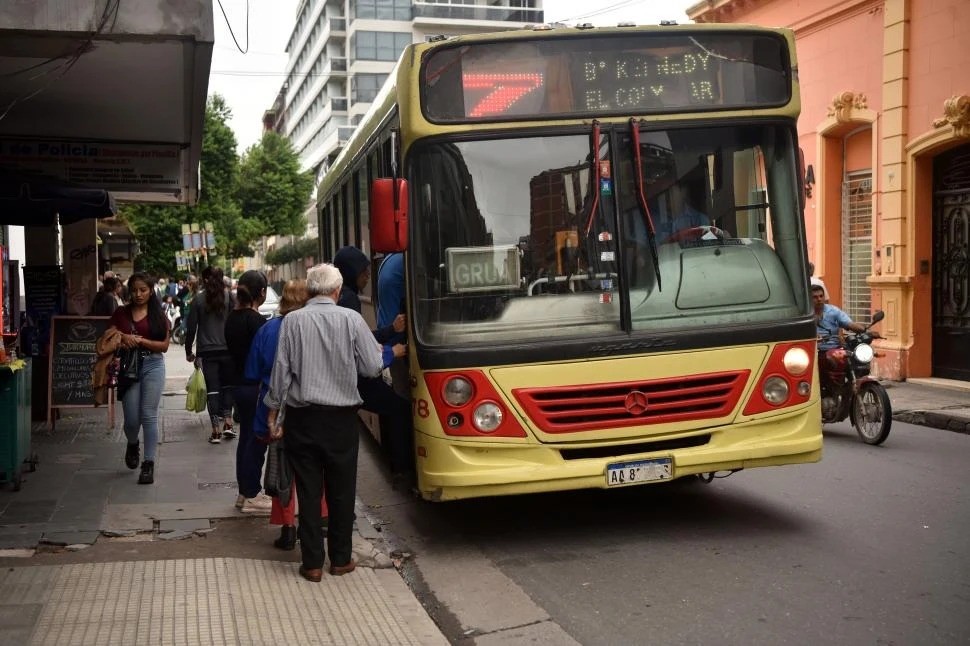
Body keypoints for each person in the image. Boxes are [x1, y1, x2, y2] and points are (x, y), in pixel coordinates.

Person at [264, 263, 384, 581]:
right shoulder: (351, 320)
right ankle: (341, 559)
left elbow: (281, 372)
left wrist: (273, 412)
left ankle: (313, 563)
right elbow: (373, 367)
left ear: (311, 290)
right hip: (341, 419)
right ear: (337, 291)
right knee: (342, 491)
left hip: (302, 418)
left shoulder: (292, 322)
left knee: (308, 490)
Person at [245, 278, 327, 549]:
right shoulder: (316, 329)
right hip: (312, 408)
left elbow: (253, 373)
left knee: (283, 470)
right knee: (315, 468)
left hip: (277, 409)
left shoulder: (268, 330)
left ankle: (288, 528)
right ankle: (313, 522)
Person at [333, 247, 411, 486]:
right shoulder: (348, 300)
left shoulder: (345, 296)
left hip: (351, 377)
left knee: (392, 408)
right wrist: (390, 352)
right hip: (356, 379)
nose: (368, 276)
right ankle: (402, 469)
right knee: (400, 409)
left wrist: (391, 330)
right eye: (364, 272)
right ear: (350, 272)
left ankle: (397, 465)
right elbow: (358, 343)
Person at [107, 272, 171, 485]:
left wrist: (141, 341)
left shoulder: (158, 315)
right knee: (132, 419)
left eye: (143, 290)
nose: (138, 294)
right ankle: (133, 443)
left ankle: (149, 463)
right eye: (134, 290)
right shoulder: (121, 313)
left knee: (149, 415)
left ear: (151, 291)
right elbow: (109, 334)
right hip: (128, 367)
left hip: (153, 364)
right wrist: (124, 337)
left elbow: (164, 346)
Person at [224, 270, 271, 514]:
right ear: (261, 293)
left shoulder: (232, 318)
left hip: (238, 386)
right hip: (256, 387)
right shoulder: (257, 321)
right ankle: (252, 493)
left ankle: (244, 492)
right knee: (256, 440)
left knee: (245, 439)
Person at [185, 266, 236, 444]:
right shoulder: (230, 297)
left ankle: (215, 431)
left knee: (213, 390)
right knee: (228, 387)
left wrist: (188, 351)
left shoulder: (198, 299)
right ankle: (228, 423)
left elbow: (191, 328)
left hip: (207, 352)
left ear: (205, 280)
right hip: (228, 350)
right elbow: (235, 323)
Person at [813, 284, 875, 351]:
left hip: (834, 350)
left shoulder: (833, 311)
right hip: (812, 351)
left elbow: (849, 323)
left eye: (821, 296)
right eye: (815, 297)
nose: (819, 299)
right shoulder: (805, 314)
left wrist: (865, 330)